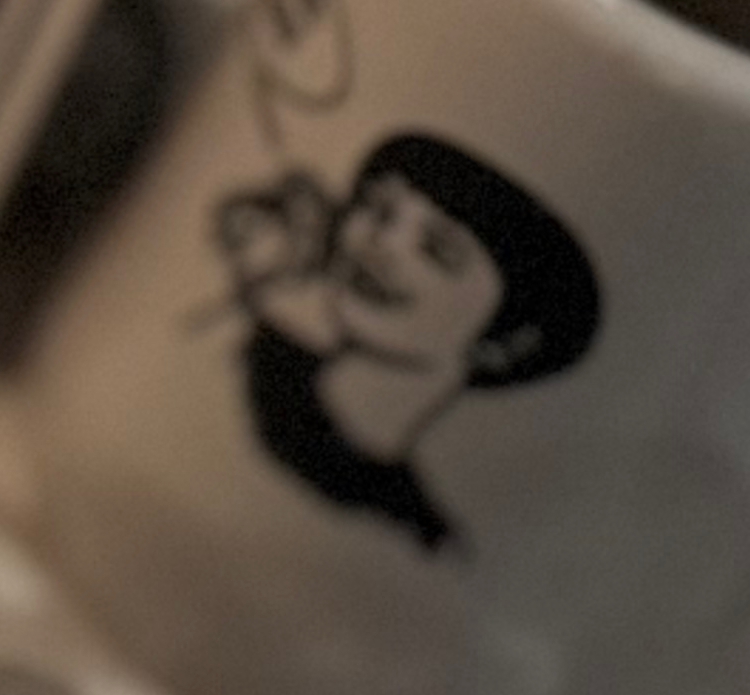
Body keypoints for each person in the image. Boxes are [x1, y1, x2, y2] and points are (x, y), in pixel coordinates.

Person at [214, 127, 603, 556]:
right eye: (380, 211)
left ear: (499, 349)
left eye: (438, 250)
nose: (380, 243)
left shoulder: (423, 523)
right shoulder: (267, 373)